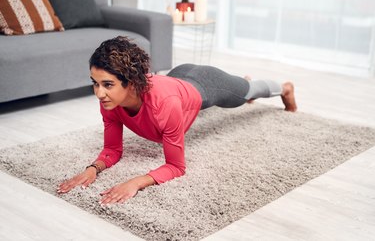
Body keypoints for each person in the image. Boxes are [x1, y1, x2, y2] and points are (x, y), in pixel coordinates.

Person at [57, 36, 297, 204]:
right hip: (178, 76)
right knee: (238, 89)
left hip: (206, 83)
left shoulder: (164, 105)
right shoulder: (109, 102)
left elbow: (176, 167)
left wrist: (136, 182)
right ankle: (238, 82)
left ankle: (283, 88)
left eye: (107, 84)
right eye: (95, 83)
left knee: (244, 93)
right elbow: (111, 149)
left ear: (130, 83)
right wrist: (92, 169)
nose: (99, 93)